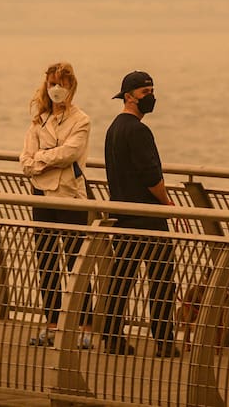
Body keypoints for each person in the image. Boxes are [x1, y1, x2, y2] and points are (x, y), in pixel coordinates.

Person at [100, 70, 181, 358]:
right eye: (146, 92)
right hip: (148, 216)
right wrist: (167, 202)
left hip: (123, 213)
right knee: (161, 280)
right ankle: (164, 341)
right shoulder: (138, 131)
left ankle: (111, 336)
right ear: (129, 95)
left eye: (152, 91)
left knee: (121, 279)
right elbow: (150, 176)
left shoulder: (114, 129)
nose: (152, 97)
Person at [19, 61, 95, 349]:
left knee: (77, 261)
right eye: (52, 83)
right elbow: (24, 157)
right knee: (47, 261)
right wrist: (38, 160)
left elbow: (70, 153)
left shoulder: (81, 119)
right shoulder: (39, 120)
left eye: (61, 83)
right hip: (41, 195)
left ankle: (85, 324)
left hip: (70, 197)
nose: (56, 89)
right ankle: (52, 322)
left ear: (71, 86)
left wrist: (40, 158)